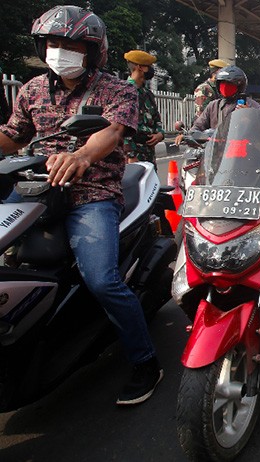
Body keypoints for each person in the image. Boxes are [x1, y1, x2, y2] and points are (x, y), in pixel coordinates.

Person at [0, 5, 162, 406]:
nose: (60, 51)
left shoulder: (117, 90)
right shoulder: (32, 89)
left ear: (92, 51)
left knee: (103, 280)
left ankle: (145, 361)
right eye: (53, 43)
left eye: (70, 44)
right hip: (35, 189)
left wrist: (82, 157)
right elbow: (14, 136)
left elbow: (112, 132)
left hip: (91, 194)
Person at [175, 65, 259, 144]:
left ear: (240, 85)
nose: (225, 86)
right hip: (215, 153)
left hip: (242, 153)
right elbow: (197, 127)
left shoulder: (252, 106)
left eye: (229, 84)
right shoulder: (213, 106)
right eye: (222, 83)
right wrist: (187, 136)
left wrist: (250, 117)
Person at [123, 50, 164, 164]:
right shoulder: (124, 92)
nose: (151, 70)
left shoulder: (148, 94)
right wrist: (130, 154)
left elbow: (157, 120)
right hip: (133, 155)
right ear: (139, 67)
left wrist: (160, 134)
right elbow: (122, 127)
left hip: (149, 153)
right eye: (148, 66)